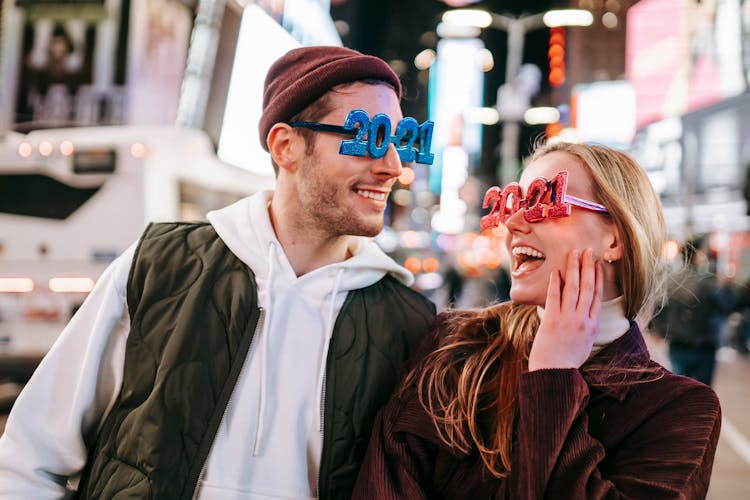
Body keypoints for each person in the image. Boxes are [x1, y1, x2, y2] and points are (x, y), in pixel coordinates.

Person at [0, 46, 436, 499]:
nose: (392, 167)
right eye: (367, 136)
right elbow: (30, 459)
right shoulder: (159, 265)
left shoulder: (408, 322)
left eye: (403, 140)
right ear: (286, 146)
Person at [353, 142, 721, 499]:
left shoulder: (681, 410)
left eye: (543, 202)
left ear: (615, 239)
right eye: (512, 203)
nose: (512, 223)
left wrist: (553, 377)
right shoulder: (456, 342)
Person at [653, 239, 737, 386]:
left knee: (680, 392)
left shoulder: (670, 282)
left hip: (678, 344)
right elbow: (725, 307)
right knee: (704, 395)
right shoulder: (708, 283)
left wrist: (662, 331)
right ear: (697, 255)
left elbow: (658, 310)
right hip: (704, 346)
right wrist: (729, 287)